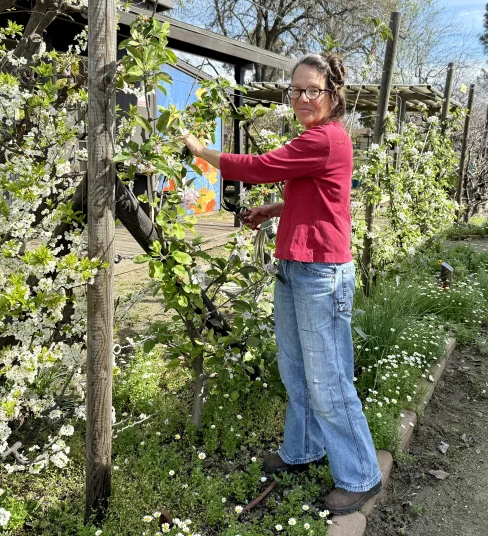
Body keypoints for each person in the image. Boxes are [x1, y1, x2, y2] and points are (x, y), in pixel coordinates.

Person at [183, 54, 382, 514]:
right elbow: (311, 195)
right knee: (296, 370)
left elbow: (257, 166)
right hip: (294, 267)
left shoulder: (328, 138)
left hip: (321, 274)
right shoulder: (312, 139)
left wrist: (200, 150)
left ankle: (360, 474)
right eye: (295, 90)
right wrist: (272, 211)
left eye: (312, 90)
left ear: (333, 95)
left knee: (329, 379)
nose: (301, 98)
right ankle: (303, 450)